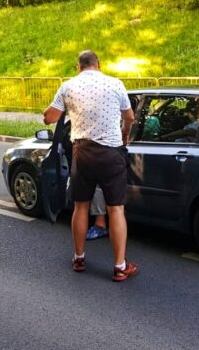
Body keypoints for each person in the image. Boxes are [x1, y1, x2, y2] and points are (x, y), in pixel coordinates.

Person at [43, 50, 138, 282]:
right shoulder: (115, 84)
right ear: (99, 64)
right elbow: (130, 117)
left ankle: (78, 257)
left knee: (80, 206)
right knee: (116, 209)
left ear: (79, 67)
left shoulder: (68, 86)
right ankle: (119, 266)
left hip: (82, 152)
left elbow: (49, 118)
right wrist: (125, 134)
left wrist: (61, 108)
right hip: (111, 153)